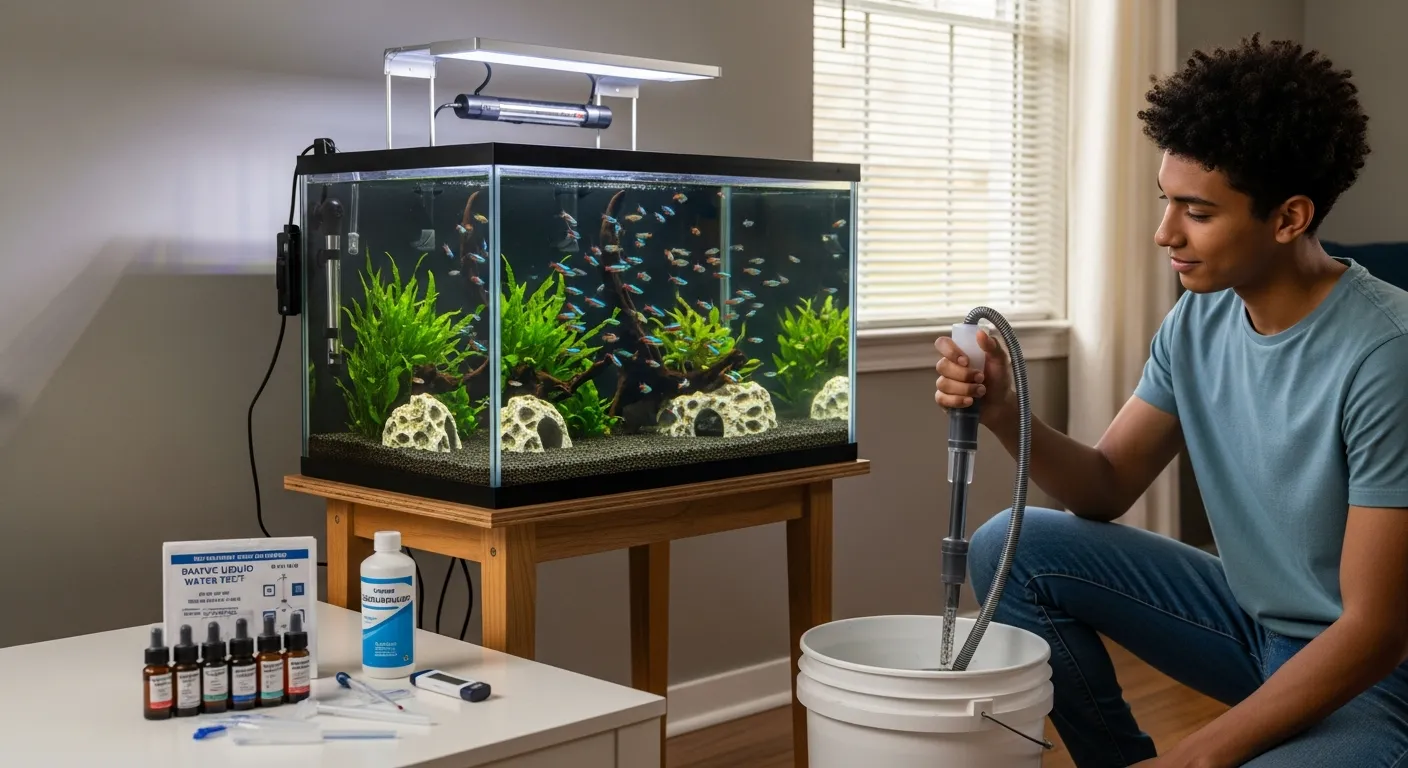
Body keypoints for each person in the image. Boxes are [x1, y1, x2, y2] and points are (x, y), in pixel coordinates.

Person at [935, 35, 1408, 768]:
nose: (1165, 234)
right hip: (1252, 629)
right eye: (1166, 202)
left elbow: (1377, 630)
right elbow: (1105, 487)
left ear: (1288, 218)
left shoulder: (1387, 354)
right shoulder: (1199, 318)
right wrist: (1004, 410)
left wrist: (1197, 756)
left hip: (1373, 676)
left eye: (1198, 211)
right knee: (1010, 543)